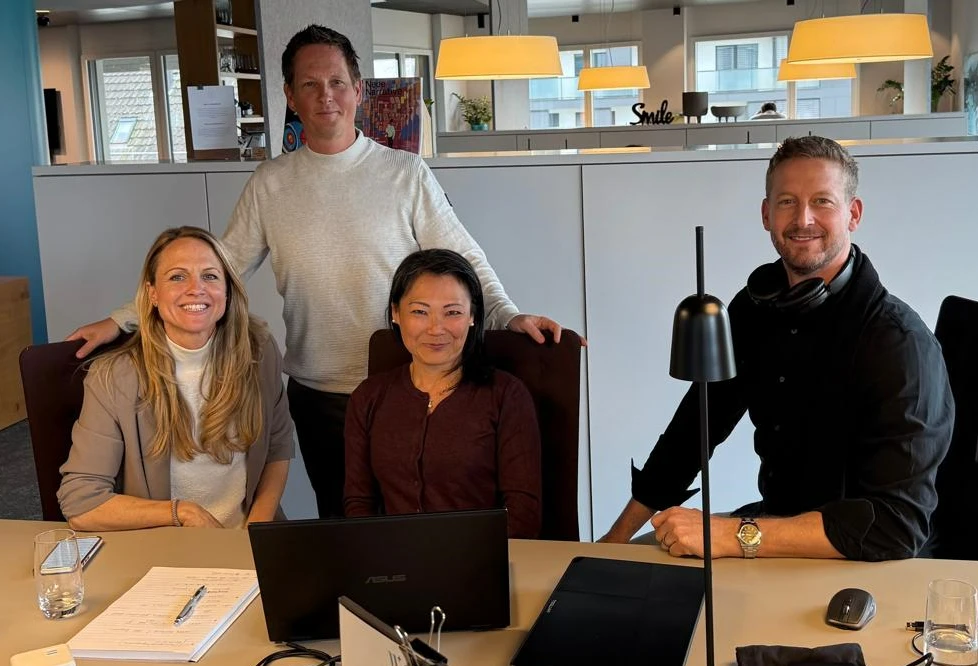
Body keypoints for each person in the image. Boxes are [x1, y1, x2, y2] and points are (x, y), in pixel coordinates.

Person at [65, 25, 566, 519]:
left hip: (404, 381)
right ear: (290, 95)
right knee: (344, 522)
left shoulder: (405, 173)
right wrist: (123, 318)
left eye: (336, 82)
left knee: (421, 513)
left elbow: (465, 262)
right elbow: (213, 273)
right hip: (319, 395)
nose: (325, 96)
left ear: (358, 89)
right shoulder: (270, 183)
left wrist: (507, 314)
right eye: (309, 84)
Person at [600, 136, 953, 561]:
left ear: (853, 214)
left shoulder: (899, 343)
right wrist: (613, 541)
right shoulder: (754, 308)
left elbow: (896, 527)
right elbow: (694, 429)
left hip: (870, 563)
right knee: (637, 581)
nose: (803, 219)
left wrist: (732, 536)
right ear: (766, 215)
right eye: (787, 202)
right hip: (773, 534)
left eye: (822, 201)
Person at [58, 226, 294, 531]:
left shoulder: (259, 352)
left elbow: (278, 446)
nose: (196, 289)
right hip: (166, 552)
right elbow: (81, 503)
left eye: (210, 276)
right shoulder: (114, 377)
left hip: (248, 540)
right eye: (177, 277)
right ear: (153, 293)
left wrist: (256, 533)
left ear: (227, 291)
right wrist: (182, 513)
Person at [344, 249, 542, 538]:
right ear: (396, 313)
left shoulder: (506, 396)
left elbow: (522, 514)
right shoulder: (368, 398)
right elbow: (358, 505)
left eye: (452, 312)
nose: (436, 329)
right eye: (420, 312)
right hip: (393, 566)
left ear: (473, 316)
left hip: (481, 565)